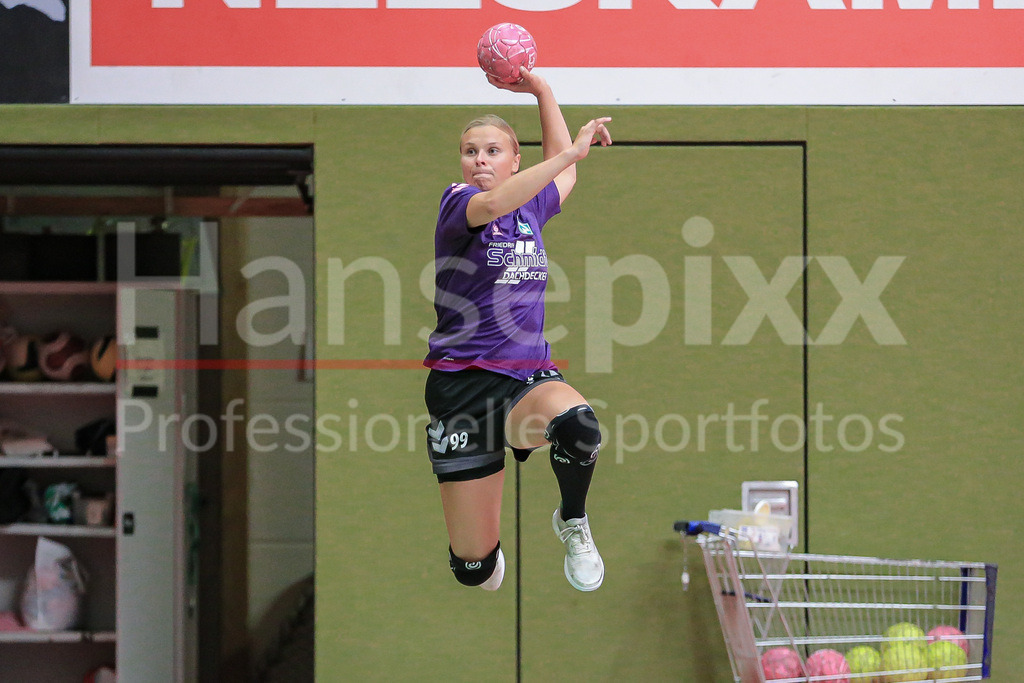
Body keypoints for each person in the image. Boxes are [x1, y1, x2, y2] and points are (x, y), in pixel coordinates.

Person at [423, 65, 612, 592]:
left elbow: (561, 176)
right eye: (470, 151)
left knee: (579, 427)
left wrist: (542, 91)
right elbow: (501, 197)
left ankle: (572, 521)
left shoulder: (531, 206)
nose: (479, 160)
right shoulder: (459, 203)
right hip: (461, 390)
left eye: (492, 151)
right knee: (476, 573)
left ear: (515, 159)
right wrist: (568, 155)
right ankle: (478, 554)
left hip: (526, 378)